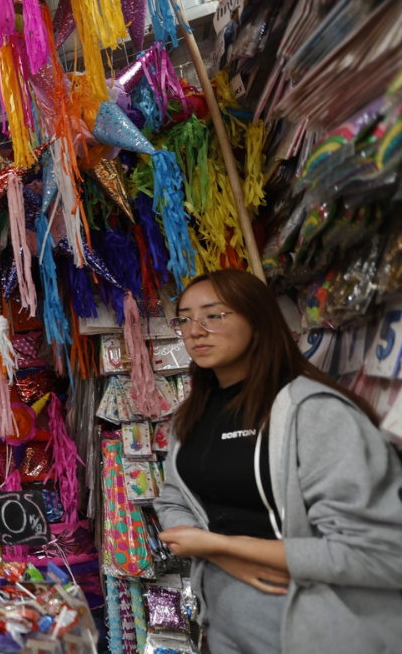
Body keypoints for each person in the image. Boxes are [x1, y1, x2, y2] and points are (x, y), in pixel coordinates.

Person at [154, 269, 402, 654]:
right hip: (222, 625)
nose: (194, 330)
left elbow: (378, 553)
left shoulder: (314, 412)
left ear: (257, 320)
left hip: (318, 633)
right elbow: (172, 501)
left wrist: (218, 546)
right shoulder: (191, 415)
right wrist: (220, 553)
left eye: (213, 315)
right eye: (184, 318)